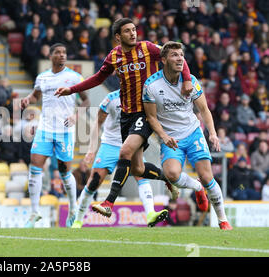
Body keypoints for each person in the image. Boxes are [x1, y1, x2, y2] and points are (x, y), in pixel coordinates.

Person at [55, 18, 192, 217]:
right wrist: (72, 90)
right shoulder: (114, 56)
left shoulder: (148, 48)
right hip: (126, 116)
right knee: (137, 168)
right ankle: (167, 179)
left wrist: (187, 79)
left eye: (134, 30)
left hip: (146, 112)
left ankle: (109, 203)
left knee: (125, 151)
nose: (133, 33)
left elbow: (176, 55)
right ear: (118, 37)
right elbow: (97, 78)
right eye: (127, 31)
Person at [142, 41, 232, 230]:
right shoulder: (151, 85)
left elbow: (204, 110)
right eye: (174, 55)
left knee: (208, 177)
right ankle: (197, 188)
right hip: (171, 138)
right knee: (172, 175)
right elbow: (151, 117)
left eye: (181, 55)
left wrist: (213, 134)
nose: (180, 58)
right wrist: (163, 136)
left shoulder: (191, 81)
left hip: (193, 133)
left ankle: (223, 220)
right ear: (164, 59)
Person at [72, 90, 171, 228]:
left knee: (141, 175)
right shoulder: (111, 98)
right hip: (110, 145)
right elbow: (97, 123)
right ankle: (78, 220)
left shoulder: (141, 98)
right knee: (93, 182)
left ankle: (150, 214)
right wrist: (92, 149)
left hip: (131, 143)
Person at [21, 43, 90, 228]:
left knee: (64, 171)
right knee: (35, 166)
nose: (62, 55)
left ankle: (73, 208)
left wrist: (76, 116)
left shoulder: (74, 77)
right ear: (50, 56)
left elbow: (86, 100)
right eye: (58, 53)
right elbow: (36, 96)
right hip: (45, 129)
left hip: (65, 131)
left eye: (64, 53)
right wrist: (28, 99)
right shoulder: (42, 77)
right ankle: (34, 213)